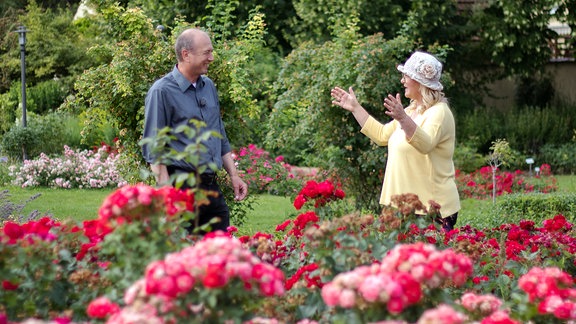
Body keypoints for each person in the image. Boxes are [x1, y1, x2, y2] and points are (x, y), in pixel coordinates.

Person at [330, 51, 460, 231]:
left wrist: (402, 118)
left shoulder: (439, 112)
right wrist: (355, 107)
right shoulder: (412, 110)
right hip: (404, 208)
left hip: (432, 210)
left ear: (420, 82)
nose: (402, 81)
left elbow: (425, 144)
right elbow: (382, 135)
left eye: (406, 76)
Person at [142, 28, 248, 233]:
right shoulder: (161, 91)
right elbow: (154, 150)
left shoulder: (208, 86)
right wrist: (167, 198)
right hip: (180, 189)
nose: (212, 58)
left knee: (220, 255)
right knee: (182, 257)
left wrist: (234, 175)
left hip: (211, 189)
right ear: (186, 54)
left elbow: (219, 134)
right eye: (206, 53)